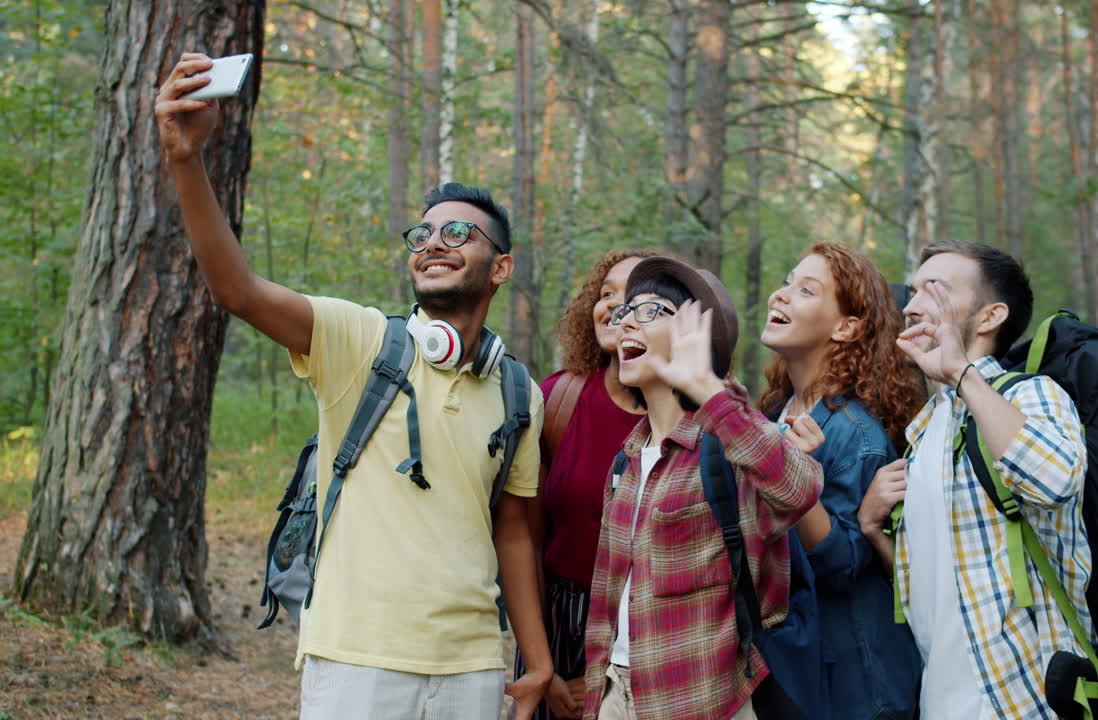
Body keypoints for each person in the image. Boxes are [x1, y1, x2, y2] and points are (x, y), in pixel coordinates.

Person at [155, 54, 552, 720]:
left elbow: (513, 532)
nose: (433, 242)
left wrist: (535, 660)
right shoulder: (359, 342)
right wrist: (186, 161)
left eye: (458, 232)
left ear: (501, 266)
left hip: (473, 666)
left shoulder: (519, 392)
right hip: (356, 661)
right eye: (421, 233)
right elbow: (237, 290)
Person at [579, 256, 822, 720]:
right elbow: (604, 606)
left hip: (704, 701)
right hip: (617, 696)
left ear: (698, 340)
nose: (626, 319)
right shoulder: (624, 463)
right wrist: (597, 703)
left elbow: (799, 488)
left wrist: (710, 391)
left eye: (651, 311)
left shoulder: (728, 452)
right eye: (626, 310)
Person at [857, 241, 1093, 719]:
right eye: (914, 290)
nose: (912, 304)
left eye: (935, 289)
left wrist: (961, 373)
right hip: (941, 700)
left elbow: (1055, 480)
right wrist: (872, 531)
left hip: (1022, 700)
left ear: (990, 317)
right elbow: (934, 585)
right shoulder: (923, 432)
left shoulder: (1031, 396)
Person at [757, 243, 923, 720]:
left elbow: (842, 567)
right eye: (786, 281)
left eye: (805, 290)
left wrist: (799, 481)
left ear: (846, 327)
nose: (780, 296)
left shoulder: (856, 434)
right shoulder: (775, 413)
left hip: (855, 685)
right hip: (791, 668)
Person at [513, 249, 656, 720]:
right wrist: (543, 664)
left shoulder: (696, 418)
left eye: (633, 293)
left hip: (652, 633)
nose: (613, 304)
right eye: (606, 292)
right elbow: (525, 538)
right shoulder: (557, 400)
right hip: (558, 625)